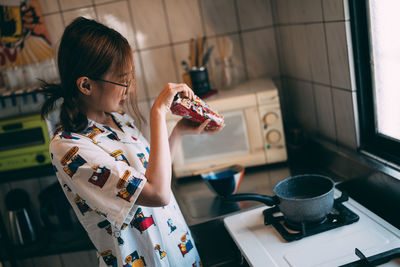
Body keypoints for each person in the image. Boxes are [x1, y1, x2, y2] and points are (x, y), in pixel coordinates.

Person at [41, 17, 223, 267]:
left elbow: (151, 176)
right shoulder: (69, 147)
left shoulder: (119, 119)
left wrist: (178, 132)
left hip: (178, 256)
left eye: (130, 79)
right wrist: (158, 112)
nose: (129, 88)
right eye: (122, 80)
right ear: (86, 85)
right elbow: (157, 194)